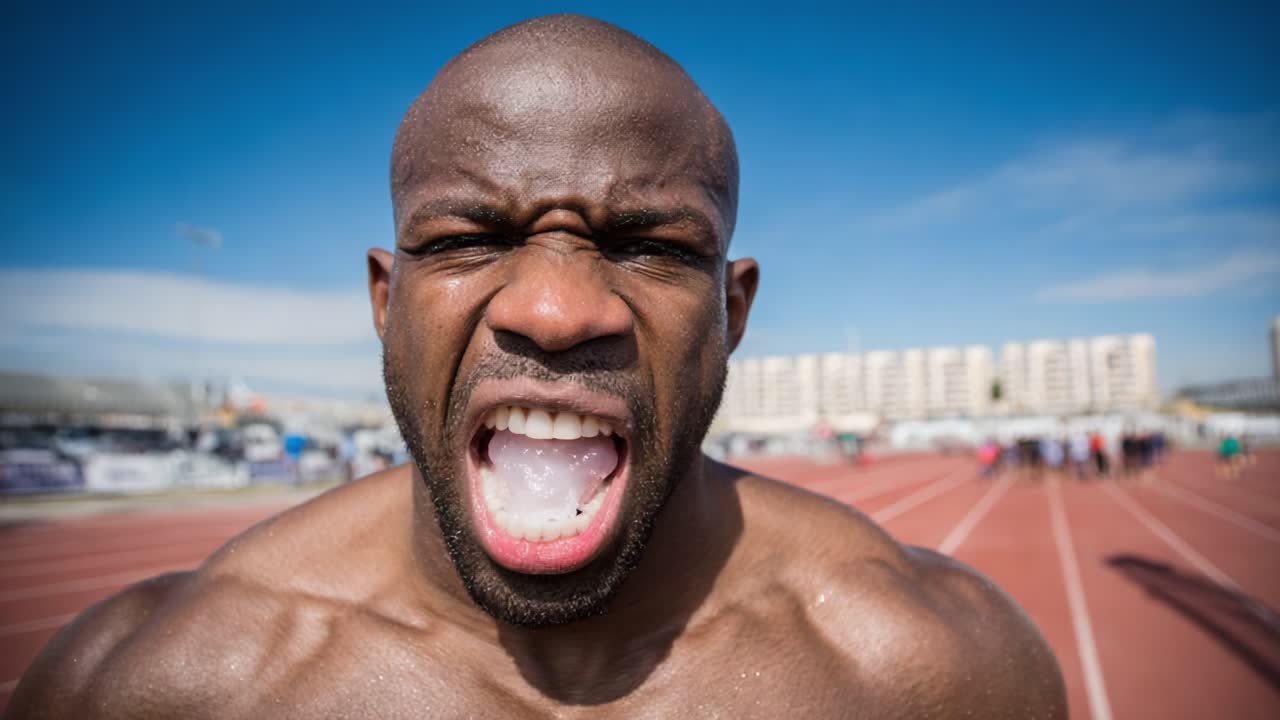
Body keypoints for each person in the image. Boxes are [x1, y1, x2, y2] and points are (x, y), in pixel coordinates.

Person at [6, 15, 1065, 718]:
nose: (555, 311)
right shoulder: (161, 688)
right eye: (467, 237)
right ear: (386, 304)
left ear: (731, 311)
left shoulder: (932, 674)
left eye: (651, 245)